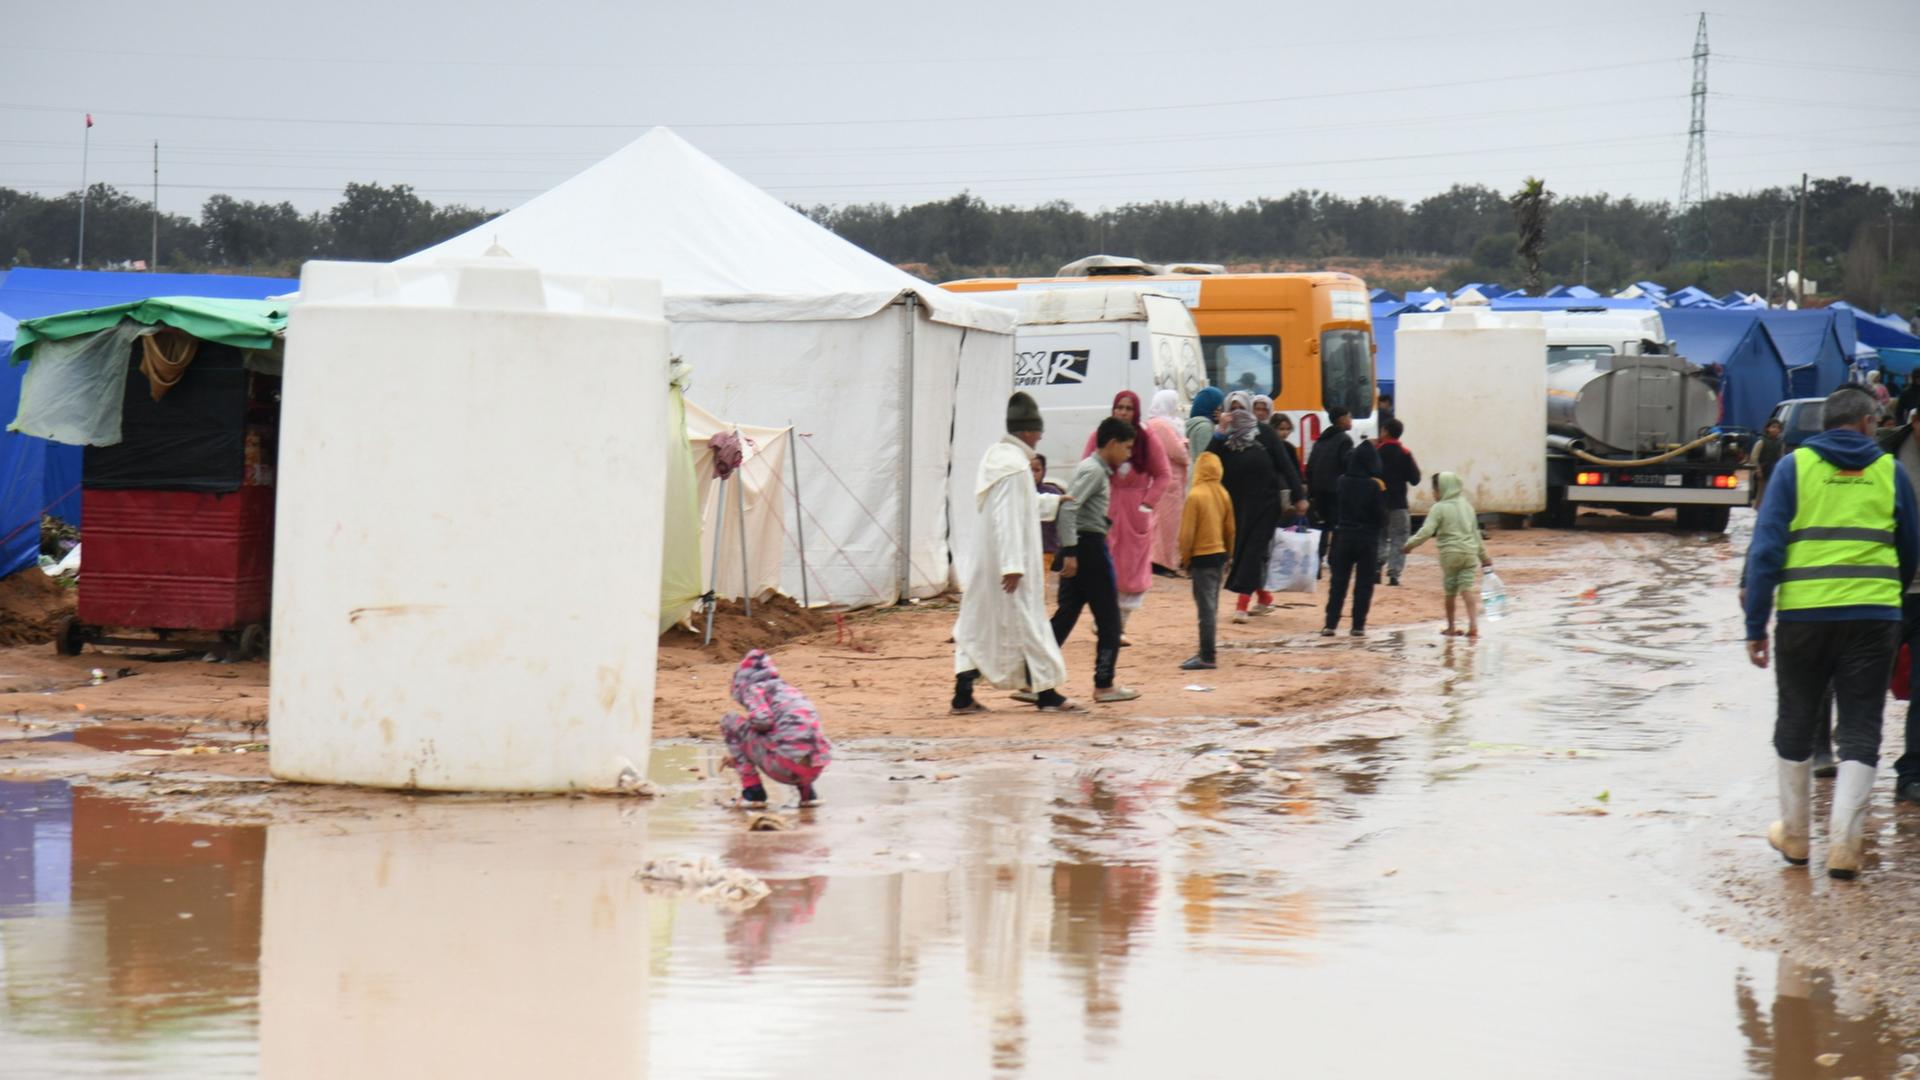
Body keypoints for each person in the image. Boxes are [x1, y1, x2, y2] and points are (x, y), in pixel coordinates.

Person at [1745, 385, 1920, 880]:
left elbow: (1764, 552)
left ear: (1825, 424)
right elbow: (1911, 547)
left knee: (1796, 719)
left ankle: (1797, 838)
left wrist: (1755, 624)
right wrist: (1887, 595)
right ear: (1868, 423)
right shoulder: (1890, 471)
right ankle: (1845, 846)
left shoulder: (1793, 468)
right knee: (1863, 726)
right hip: (1874, 616)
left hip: (1804, 617)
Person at [952, 393, 1080, 714]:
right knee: (1030, 625)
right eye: (1037, 430)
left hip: (990, 564)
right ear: (1025, 432)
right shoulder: (1012, 468)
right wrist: (1012, 565)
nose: (1040, 436)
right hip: (1008, 567)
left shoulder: (1004, 462)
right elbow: (1007, 517)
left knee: (977, 626)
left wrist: (1054, 502)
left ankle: (962, 695)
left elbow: (1021, 506)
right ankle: (1047, 693)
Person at [1053, 416, 1141, 704]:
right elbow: (1068, 509)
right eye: (1126, 448)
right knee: (1109, 619)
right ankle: (1104, 684)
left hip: (1081, 547)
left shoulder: (1090, 468)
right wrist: (1071, 551)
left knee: (1065, 615)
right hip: (1088, 548)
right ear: (1112, 444)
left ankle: (1033, 678)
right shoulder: (1093, 472)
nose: (1128, 454)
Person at [1082, 391, 1170, 637]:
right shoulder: (1099, 436)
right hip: (1105, 507)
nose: (1123, 412)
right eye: (1119, 407)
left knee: (1131, 567)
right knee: (1103, 562)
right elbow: (1085, 468)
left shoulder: (1147, 438)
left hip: (1135, 511)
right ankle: (1104, 618)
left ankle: (1119, 624)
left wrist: (1148, 503)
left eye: (1128, 408)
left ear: (1136, 411)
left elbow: (1163, 474)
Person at [722, 649, 832, 808]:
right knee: (794, 737)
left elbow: (762, 721)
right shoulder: (789, 691)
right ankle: (808, 795)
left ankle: (753, 792)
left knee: (729, 720)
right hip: (815, 768)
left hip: (784, 766)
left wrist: (744, 750)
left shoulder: (754, 688)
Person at [1879, 412, 1920, 806]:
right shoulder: (1885, 454)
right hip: (1884, 590)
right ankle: (1857, 758)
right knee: (1869, 682)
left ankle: (1910, 776)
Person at [1404, 472, 1493, 638]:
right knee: (1467, 589)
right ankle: (1473, 625)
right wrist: (1485, 557)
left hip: (1450, 554)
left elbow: (1426, 531)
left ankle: (1451, 627)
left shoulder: (1439, 508)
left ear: (1443, 489)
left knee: (1450, 591)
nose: (1433, 494)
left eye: (1435, 490)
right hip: (1469, 553)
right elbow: (1476, 534)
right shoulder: (1468, 507)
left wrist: (1410, 545)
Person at [1214, 407, 1282, 623]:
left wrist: (1299, 496)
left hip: (1266, 504)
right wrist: (1220, 431)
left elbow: (1285, 464)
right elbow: (1208, 460)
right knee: (1247, 551)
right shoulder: (1226, 440)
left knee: (1252, 550)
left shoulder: (1264, 434)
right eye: (1231, 408)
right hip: (1238, 506)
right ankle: (1264, 597)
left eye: (1240, 407)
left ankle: (1241, 605)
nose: (1235, 412)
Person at [1177, 450, 1235, 670]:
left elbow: (1186, 534)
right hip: (1219, 554)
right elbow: (1231, 529)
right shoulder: (1223, 493)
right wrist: (1229, 553)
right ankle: (1207, 651)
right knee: (1213, 605)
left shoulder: (1195, 495)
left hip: (1202, 557)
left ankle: (1207, 655)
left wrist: (1186, 558)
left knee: (1205, 608)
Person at [1324, 441, 1386, 637]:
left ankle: (1330, 624)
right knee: (1364, 584)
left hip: (1344, 536)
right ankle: (1358, 625)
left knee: (1338, 582)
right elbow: (1380, 516)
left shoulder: (1342, 481)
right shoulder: (1374, 486)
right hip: (1367, 539)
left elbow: (1335, 508)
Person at [1145, 389, 1192, 576]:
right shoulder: (1160, 425)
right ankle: (1162, 562)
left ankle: (1164, 561)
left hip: (1170, 482)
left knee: (1164, 524)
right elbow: (1178, 453)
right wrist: (1184, 444)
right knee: (1166, 526)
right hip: (1168, 482)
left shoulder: (1161, 424)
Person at [1306, 406, 1356, 568]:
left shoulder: (1322, 438)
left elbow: (1311, 466)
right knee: (1337, 526)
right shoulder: (1345, 439)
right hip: (1335, 490)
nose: (1351, 420)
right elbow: (1348, 465)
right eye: (1349, 416)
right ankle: (1335, 560)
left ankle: (1318, 559)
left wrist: (1312, 490)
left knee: (1322, 526)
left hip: (1319, 490)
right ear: (1342, 419)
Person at [1376, 418, 1422, 586]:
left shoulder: (1376, 451)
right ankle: (1394, 574)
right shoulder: (1405, 453)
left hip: (1378, 503)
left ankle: (1376, 566)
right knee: (1399, 537)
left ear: (1386, 431)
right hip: (1398, 503)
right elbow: (1415, 479)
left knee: (1379, 535)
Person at [1186, 388, 1225, 478]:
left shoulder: (1199, 423)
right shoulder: (1205, 427)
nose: (1221, 410)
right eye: (1219, 406)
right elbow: (1207, 459)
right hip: (1205, 480)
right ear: (1211, 406)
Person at [1034, 453, 1067, 557]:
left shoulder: (1052, 492)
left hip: (1048, 550)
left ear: (1044, 471)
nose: (1033, 474)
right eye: (1030, 470)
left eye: (1037, 470)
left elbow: (1064, 521)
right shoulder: (1018, 493)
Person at [1753, 418, 1786, 507]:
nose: (1775, 429)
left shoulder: (1780, 443)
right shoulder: (1761, 442)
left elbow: (1782, 456)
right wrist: (1758, 470)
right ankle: (1758, 510)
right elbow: (1754, 457)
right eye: (1773, 427)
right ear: (1767, 428)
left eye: (1778, 428)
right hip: (1764, 471)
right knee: (1761, 493)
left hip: (1775, 470)